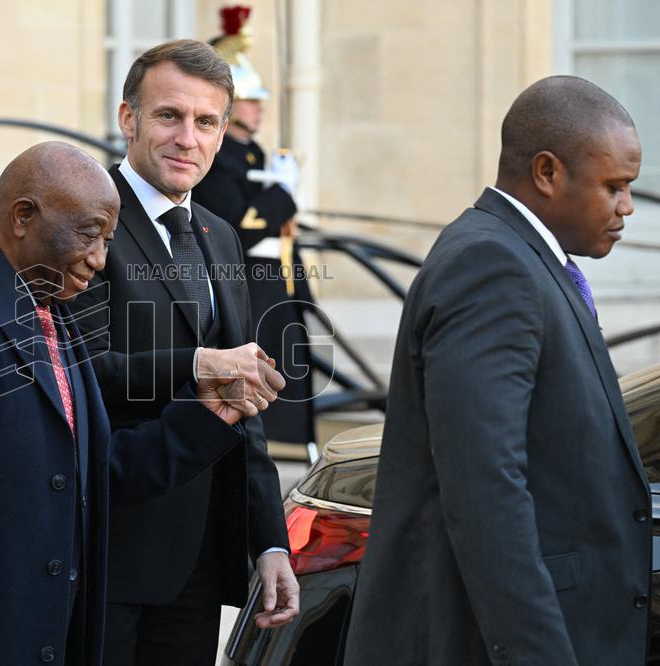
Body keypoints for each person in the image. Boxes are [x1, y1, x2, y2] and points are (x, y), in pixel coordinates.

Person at [0, 141, 275, 665]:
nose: (100, 260)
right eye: (88, 235)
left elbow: (91, 475)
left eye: (108, 240)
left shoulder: (55, 316)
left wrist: (203, 421)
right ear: (23, 216)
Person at [344, 76, 650, 665]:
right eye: (613, 186)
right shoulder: (492, 266)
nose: (627, 207)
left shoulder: (524, 258)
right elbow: (486, 489)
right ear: (546, 172)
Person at [72, 39, 299, 666]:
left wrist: (269, 544)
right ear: (129, 120)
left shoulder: (220, 234)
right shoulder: (84, 218)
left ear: (224, 133)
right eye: (169, 116)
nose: (186, 138)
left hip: (200, 558)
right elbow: (74, 373)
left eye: (205, 122)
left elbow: (243, 402)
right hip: (104, 549)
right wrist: (200, 364)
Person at [194, 5, 315, 445]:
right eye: (250, 101)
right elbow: (242, 227)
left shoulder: (252, 153)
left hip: (272, 277)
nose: (259, 110)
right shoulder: (223, 155)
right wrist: (282, 194)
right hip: (246, 278)